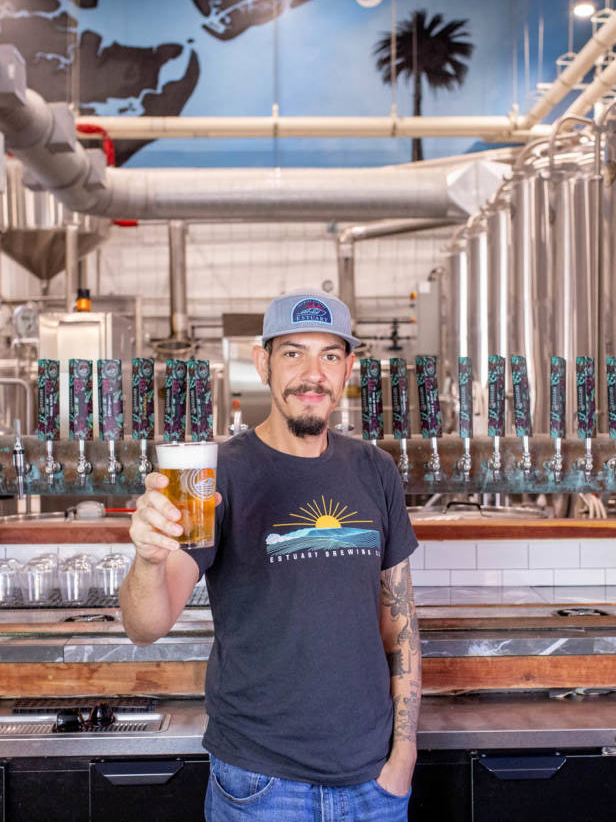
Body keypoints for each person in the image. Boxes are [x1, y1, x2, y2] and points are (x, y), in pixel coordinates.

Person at [120, 289, 421, 821]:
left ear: (348, 368)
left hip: (373, 783)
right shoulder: (215, 475)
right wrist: (147, 558)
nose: (312, 374)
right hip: (261, 785)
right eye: (292, 353)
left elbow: (400, 624)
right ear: (262, 363)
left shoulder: (375, 470)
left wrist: (404, 754)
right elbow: (147, 624)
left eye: (329, 355)